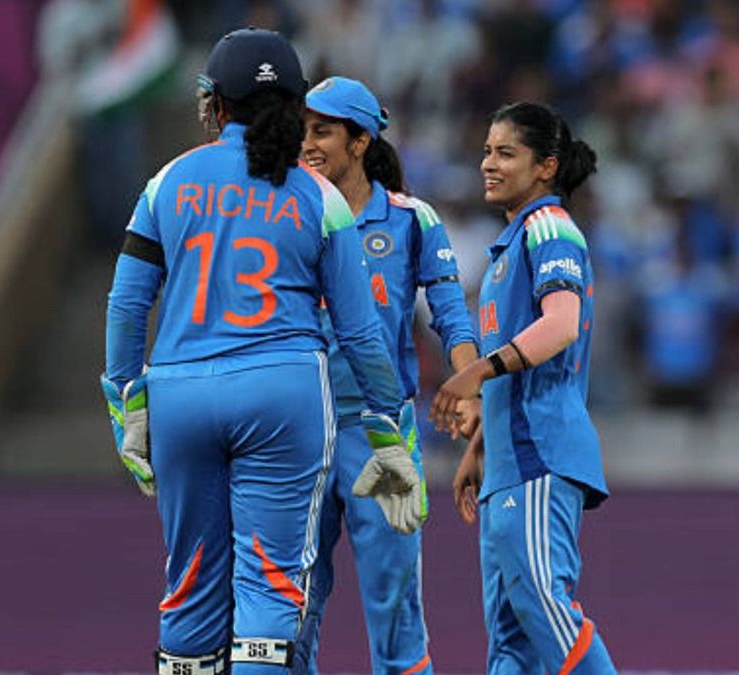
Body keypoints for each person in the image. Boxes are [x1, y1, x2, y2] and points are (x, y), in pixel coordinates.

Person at [99, 28, 423, 675]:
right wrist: (391, 433)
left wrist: (126, 404)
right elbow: (361, 334)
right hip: (283, 393)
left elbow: (127, 304)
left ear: (216, 105)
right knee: (271, 585)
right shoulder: (320, 196)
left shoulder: (169, 181)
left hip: (181, 390)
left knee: (190, 577)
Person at [294, 76, 480, 674]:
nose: (307, 143)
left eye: (321, 131)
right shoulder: (286, 211)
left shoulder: (411, 219)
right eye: (302, 130)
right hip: (295, 428)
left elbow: (451, 316)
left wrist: (469, 385)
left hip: (380, 434)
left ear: (360, 140)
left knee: (396, 606)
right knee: (291, 605)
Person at [430, 102, 618, 674]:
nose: (489, 163)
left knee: (548, 613)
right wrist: (480, 444)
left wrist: (476, 371)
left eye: (506, 152)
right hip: (509, 462)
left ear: (546, 166)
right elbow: (527, 360)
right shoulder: (510, 246)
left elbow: (561, 324)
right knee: (512, 642)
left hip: (540, 454)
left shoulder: (550, 227)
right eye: (487, 150)